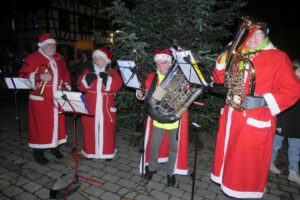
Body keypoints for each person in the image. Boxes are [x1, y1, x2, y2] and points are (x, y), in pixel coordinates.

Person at [210, 22, 300, 199]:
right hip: (232, 117)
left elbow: (294, 89)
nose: (254, 38)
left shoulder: (278, 57)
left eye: (259, 34)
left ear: (266, 36)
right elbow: (218, 78)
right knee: (229, 163)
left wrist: (263, 101)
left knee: (246, 170)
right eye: (250, 35)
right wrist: (226, 54)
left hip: (255, 119)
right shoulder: (238, 55)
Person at [136, 49, 189, 187]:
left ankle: (171, 173)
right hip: (158, 118)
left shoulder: (179, 76)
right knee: (154, 146)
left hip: (175, 119)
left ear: (171, 63)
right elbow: (145, 93)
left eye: (164, 63)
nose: (161, 66)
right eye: (158, 64)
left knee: (173, 149)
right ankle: (151, 168)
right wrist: (140, 94)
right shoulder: (152, 77)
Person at [18, 33, 71, 165]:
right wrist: (38, 76)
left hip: (57, 98)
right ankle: (38, 154)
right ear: (42, 46)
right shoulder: (32, 58)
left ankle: (55, 148)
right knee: (40, 127)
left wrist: (65, 87)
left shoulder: (59, 58)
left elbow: (66, 74)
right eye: (49, 44)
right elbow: (22, 75)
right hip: (40, 100)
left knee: (58, 126)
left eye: (53, 44)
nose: (52, 46)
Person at [76, 48, 123, 160]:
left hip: (106, 106)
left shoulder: (112, 72)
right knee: (89, 129)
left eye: (100, 59)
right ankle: (89, 152)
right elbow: (79, 85)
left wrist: (107, 79)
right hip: (91, 104)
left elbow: (117, 86)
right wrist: (87, 79)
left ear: (106, 60)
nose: (97, 61)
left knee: (107, 130)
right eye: (95, 59)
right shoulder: (88, 71)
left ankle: (107, 153)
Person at [269, 59, 300, 185]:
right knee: (275, 146)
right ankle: (269, 163)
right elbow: (279, 104)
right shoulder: (286, 83)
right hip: (283, 123)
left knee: (295, 149)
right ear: (294, 69)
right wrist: (279, 123)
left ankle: (293, 172)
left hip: (297, 126)